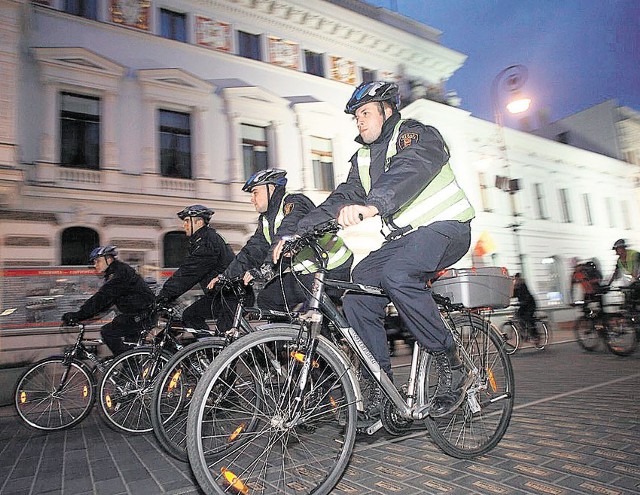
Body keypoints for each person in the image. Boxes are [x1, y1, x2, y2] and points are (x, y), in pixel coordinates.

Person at [282, 81, 476, 418]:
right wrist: (294, 234)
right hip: (408, 240)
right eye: (356, 116)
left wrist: (373, 205)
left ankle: (452, 361)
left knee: (397, 273)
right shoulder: (363, 158)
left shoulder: (414, 133)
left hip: (448, 228)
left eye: (365, 112)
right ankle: (380, 384)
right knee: (359, 287)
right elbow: (341, 198)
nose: (359, 120)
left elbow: (412, 165)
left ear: (387, 111)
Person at [208, 168, 353, 331]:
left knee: (313, 314)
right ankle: (283, 345)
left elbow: (288, 229)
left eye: (255, 192)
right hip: (307, 272)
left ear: (272, 188)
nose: (252, 199)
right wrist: (226, 276)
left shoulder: (294, 202)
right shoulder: (266, 220)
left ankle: (324, 352)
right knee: (267, 299)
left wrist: (267, 267)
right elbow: (253, 250)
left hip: (333, 266)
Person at [61, 246, 155, 356]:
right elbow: (105, 303)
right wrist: (84, 315)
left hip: (142, 315)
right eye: (94, 262)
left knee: (108, 332)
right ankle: (130, 367)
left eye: (98, 261)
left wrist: (78, 315)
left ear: (109, 259)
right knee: (130, 348)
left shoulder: (120, 273)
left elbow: (103, 297)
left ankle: (128, 365)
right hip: (137, 314)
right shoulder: (114, 272)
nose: (95, 265)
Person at [156, 205, 235, 331]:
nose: (184, 225)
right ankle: (207, 347)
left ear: (199, 222)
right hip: (219, 295)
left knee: (226, 342)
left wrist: (163, 295)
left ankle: (211, 347)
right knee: (190, 316)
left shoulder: (207, 242)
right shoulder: (201, 240)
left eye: (187, 221)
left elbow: (189, 272)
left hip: (231, 296)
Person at [608, 239, 640, 310]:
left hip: (637, 278)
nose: (616, 251)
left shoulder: (633, 254)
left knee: (634, 290)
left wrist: (633, 280)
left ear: (622, 248)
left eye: (617, 249)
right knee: (630, 293)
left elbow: (636, 268)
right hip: (635, 280)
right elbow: (615, 273)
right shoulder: (619, 260)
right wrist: (608, 285)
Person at [512, 273, 538, 341]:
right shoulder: (517, 286)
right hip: (523, 305)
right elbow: (513, 295)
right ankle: (524, 333)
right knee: (519, 316)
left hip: (530, 304)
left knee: (528, 318)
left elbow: (526, 296)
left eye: (516, 279)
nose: (515, 280)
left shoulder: (522, 285)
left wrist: (522, 302)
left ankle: (535, 335)